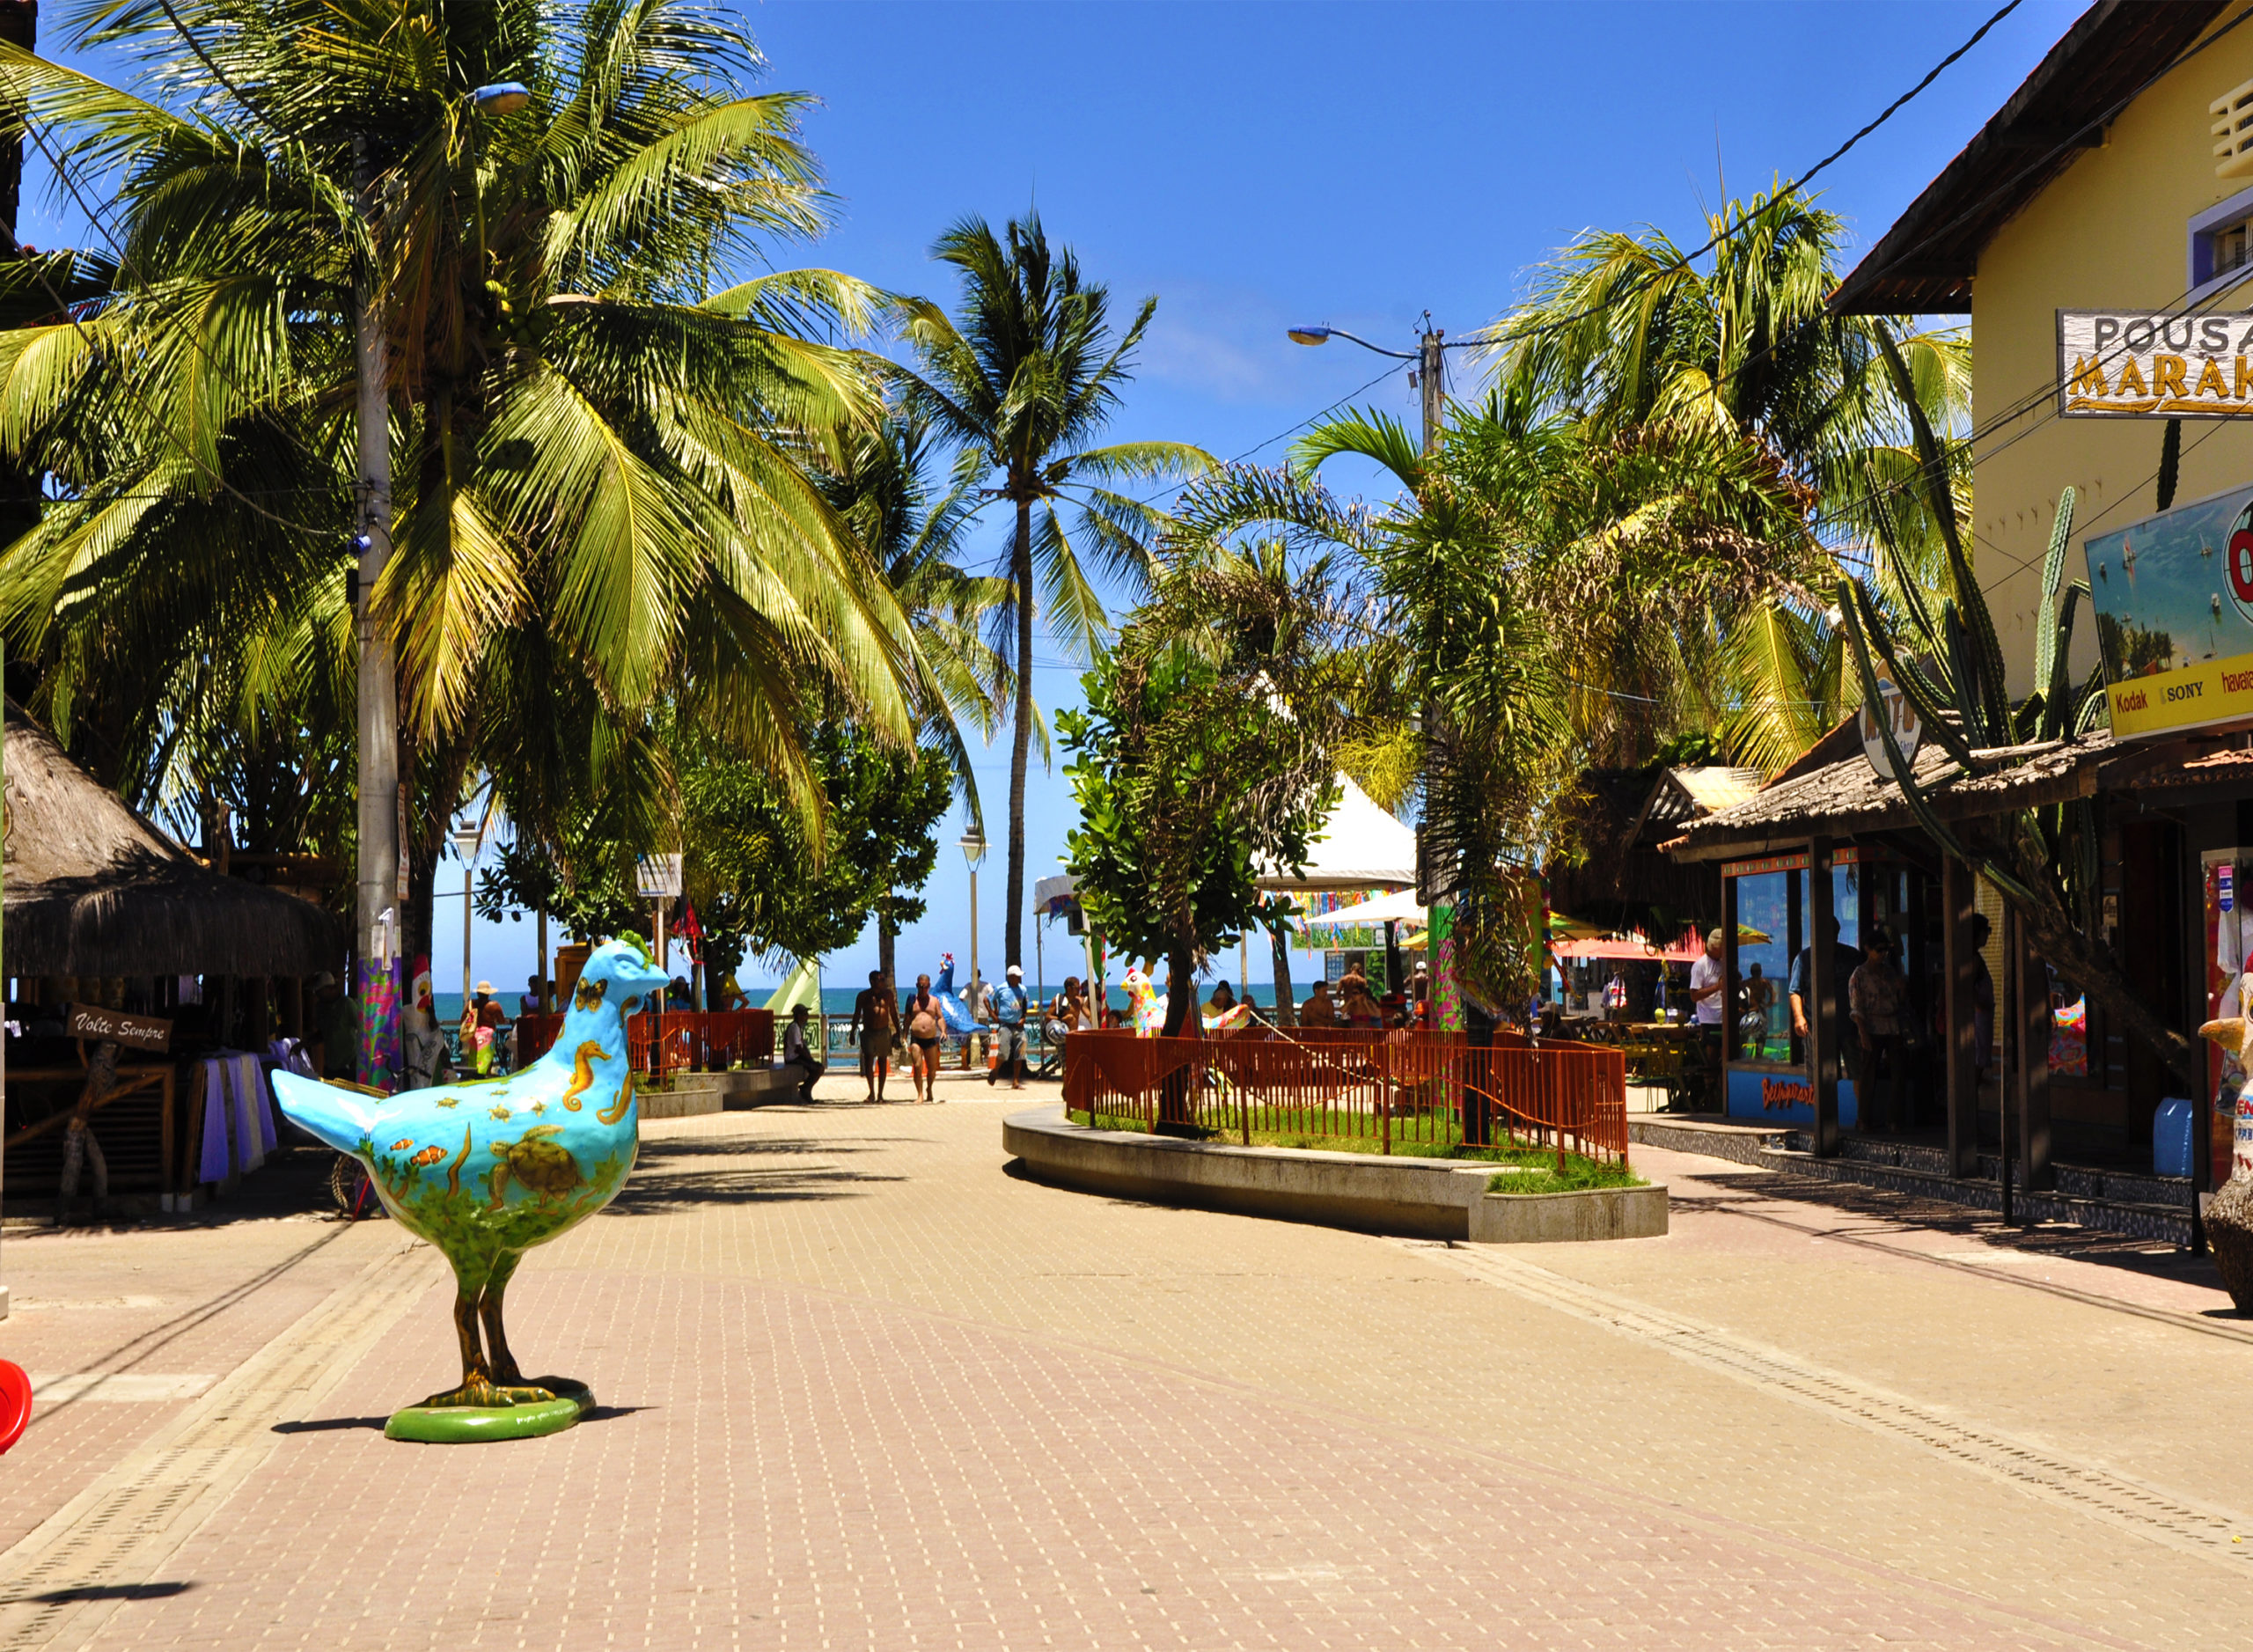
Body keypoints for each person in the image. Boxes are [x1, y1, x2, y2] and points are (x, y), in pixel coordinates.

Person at [1849, 925, 1913, 1133]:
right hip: (1872, 1026)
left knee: (1899, 1073)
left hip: (1893, 1025)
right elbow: (1857, 1008)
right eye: (1879, 950)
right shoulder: (1859, 975)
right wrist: (1862, 1033)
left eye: (1886, 950)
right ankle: (1864, 1119)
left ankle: (1895, 1119)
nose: (1883, 954)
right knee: (1868, 1074)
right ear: (1868, 949)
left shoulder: (1890, 971)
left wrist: (1902, 990)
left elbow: (1900, 1001)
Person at [852, 969, 897, 1103]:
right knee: (868, 1060)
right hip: (869, 1031)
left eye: (884, 979)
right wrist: (852, 1032)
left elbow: (893, 1013)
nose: (883, 982)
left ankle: (880, 1094)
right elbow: (856, 1015)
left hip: (883, 1031)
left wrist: (898, 1032)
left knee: (883, 1061)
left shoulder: (888, 995)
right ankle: (871, 1092)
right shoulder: (863, 996)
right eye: (881, 980)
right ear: (872, 981)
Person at [1687, 928, 1727, 1074]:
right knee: (1711, 1061)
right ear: (1714, 947)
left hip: (1724, 1017)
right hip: (1710, 1020)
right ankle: (1710, 1090)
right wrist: (1717, 987)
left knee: (1725, 1058)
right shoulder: (1700, 965)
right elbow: (1694, 995)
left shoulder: (1723, 963)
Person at [311, 971, 360, 1081]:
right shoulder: (320, 1007)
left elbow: (362, 1029)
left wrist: (357, 1060)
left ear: (330, 989)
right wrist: (304, 1043)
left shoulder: (347, 1004)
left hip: (348, 1065)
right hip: (331, 1067)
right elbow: (322, 1034)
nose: (317, 995)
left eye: (320, 992)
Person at [988, 963, 1030, 1089]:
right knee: (1003, 1052)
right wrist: (993, 1013)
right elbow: (988, 999)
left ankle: (1016, 1081)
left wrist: (1023, 1018)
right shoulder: (1001, 988)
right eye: (1017, 976)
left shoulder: (1023, 989)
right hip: (1005, 1025)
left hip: (1018, 1026)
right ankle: (995, 1069)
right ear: (1011, 977)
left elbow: (1025, 1005)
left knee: (1020, 1053)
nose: (1019, 979)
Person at [906, 973, 943, 1103]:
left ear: (929, 986)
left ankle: (929, 1088)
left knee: (932, 1069)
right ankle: (920, 1094)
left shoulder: (934, 1001)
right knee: (917, 1066)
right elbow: (907, 1019)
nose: (923, 989)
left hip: (930, 1038)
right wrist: (904, 1037)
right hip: (916, 1038)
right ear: (917, 985)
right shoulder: (912, 1000)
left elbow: (940, 1018)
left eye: (926, 986)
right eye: (921, 986)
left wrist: (943, 1031)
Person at [782, 1002, 825, 1104]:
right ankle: (805, 1089)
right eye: (805, 1014)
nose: (807, 1017)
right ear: (799, 1016)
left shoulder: (797, 1027)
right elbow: (799, 1049)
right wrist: (810, 1060)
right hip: (793, 1058)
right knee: (818, 1069)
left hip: (797, 1057)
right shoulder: (794, 1028)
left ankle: (806, 1089)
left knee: (818, 1067)